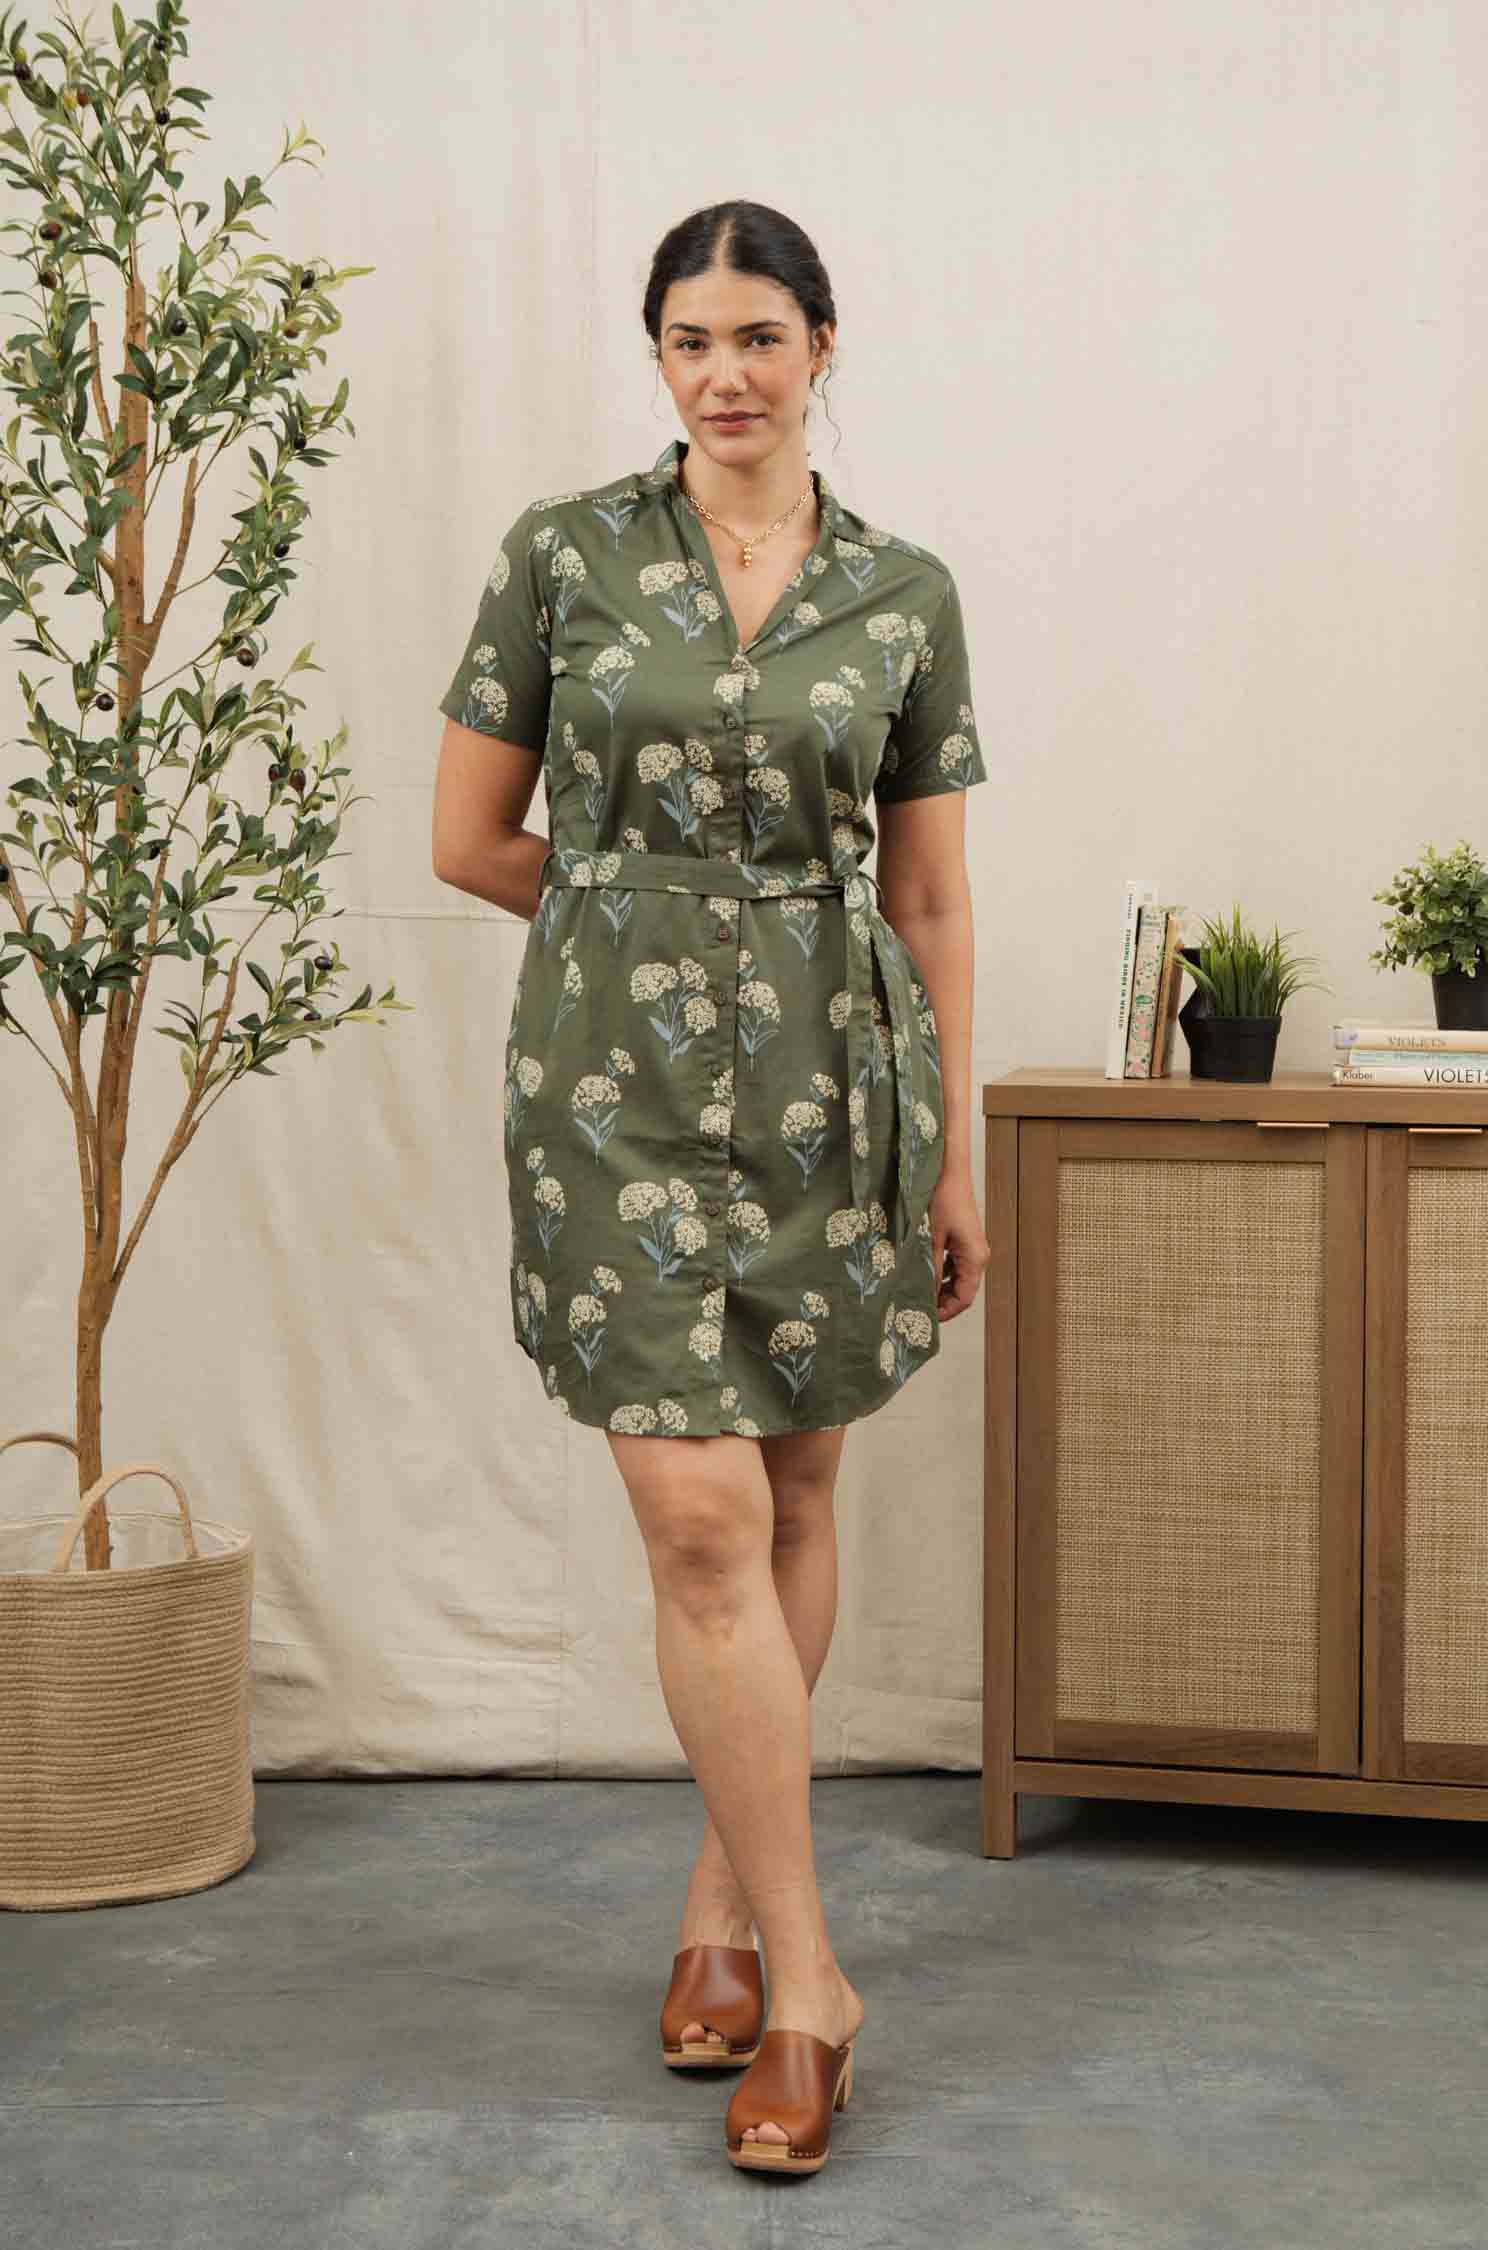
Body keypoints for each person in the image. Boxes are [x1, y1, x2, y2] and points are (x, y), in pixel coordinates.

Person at [432, 199, 990, 2176]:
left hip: (839, 1092)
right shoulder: (565, 558)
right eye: (689, 338)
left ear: (825, 345)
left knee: (800, 1489)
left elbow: (924, 891)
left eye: (760, 333)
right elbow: (467, 838)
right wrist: (645, 941)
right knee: (696, 1518)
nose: (725, 369)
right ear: (655, 357)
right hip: (614, 1099)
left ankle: (721, 1910)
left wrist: (950, 1139)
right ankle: (819, 1986)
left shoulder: (903, 591)